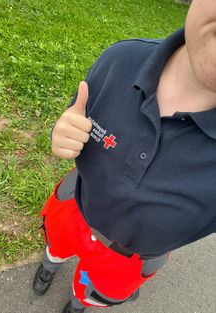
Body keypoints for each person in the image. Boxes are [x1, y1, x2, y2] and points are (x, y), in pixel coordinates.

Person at [32, 1, 216, 312]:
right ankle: (49, 265)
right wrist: (61, 133)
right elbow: (75, 118)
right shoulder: (121, 59)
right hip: (73, 204)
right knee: (55, 246)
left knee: (92, 292)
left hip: (127, 260)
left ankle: (78, 304)